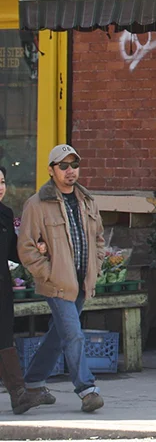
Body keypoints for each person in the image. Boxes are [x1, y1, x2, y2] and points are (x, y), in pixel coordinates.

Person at [18, 145, 105, 413]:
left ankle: (32, 386)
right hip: (56, 285)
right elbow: (27, 247)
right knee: (74, 335)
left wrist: (97, 265)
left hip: (81, 282)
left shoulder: (87, 201)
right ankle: (87, 390)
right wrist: (48, 274)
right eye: (63, 166)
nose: (70, 171)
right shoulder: (36, 204)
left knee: (60, 335)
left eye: (74, 165)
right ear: (51, 170)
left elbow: (99, 239)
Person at [0, 166, 39, 414]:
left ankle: (19, 395)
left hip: (2, 287)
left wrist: (36, 249)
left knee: (4, 337)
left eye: (2, 181)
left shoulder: (5, 213)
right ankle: (18, 393)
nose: (0, 187)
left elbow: (14, 251)